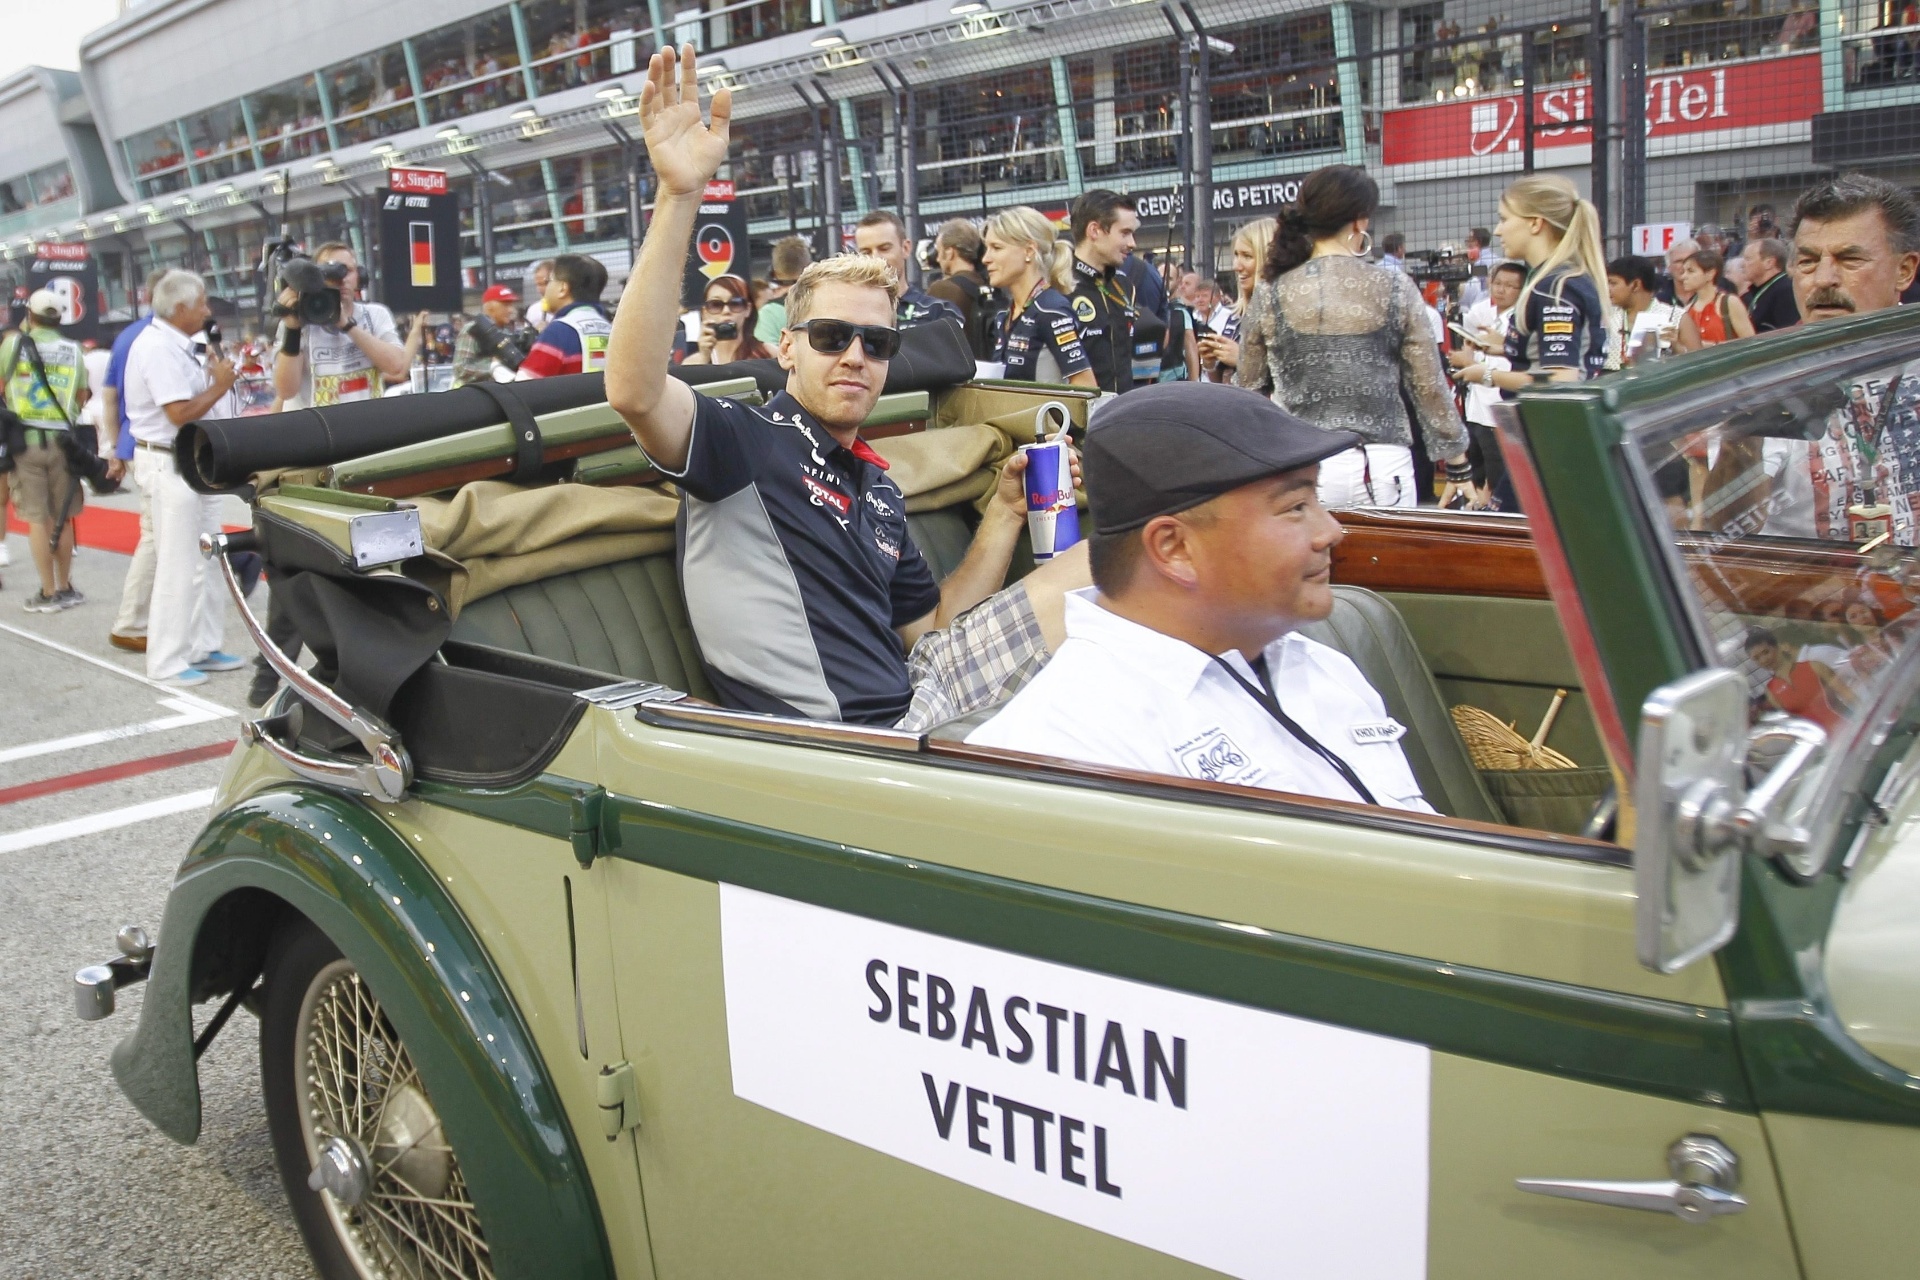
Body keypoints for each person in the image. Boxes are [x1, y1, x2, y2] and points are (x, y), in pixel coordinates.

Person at [604, 45, 1090, 731]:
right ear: (787, 349)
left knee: (1123, 565)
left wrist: (1008, 511)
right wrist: (681, 194)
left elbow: (935, 627)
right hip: (853, 745)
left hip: (922, 699)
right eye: (832, 337)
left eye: (878, 342)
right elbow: (634, 389)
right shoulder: (744, 443)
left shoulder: (880, 490)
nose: (855, 356)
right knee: (1119, 568)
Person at [968, 383, 1432, 812]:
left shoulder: (1321, 668)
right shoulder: (1068, 749)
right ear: (1175, 549)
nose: (1330, 531)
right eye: (1295, 508)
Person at [1236, 164, 1470, 508]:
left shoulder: (1271, 291)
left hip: (1301, 467)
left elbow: (1249, 389)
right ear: (1360, 220)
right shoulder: (1394, 287)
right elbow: (1428, 385)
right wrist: (1458, 466)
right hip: (1382, 465)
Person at [1751, 173, 1920, 545]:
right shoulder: (1759, 378)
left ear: (1904, 270)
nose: (1824, 279)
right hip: (1794, 595)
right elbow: (1723, 523)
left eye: (1850, 259)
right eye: (1808, 262)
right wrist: (1735, 436)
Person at [122, 270, 247, 687]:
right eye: (202, 303)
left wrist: (216, 380)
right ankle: (167, 661)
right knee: (178, 563)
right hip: (168, 461)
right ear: (179, 309)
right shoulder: (156, 348)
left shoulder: (182, 345)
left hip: (195, 461)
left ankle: (201, 645)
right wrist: (220, 385)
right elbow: (179, 413)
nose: (208, 310)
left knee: (208, 556)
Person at [1452, 174, 1611, 395]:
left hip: (1553, 422)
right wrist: (1508, 347)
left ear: (1535, 223)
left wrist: (1487, 375)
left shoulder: (1556, 288)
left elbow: (1559, 378)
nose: (1498, 230)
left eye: (1504, 219)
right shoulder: (1565, 278)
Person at [1, 290, 89, 612]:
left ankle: (48, 591)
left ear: (30, 314)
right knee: (62, 517)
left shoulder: (13, 344)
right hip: (64, 443)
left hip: (24, 442)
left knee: (37, 519)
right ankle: (66, 587)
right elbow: (81, 395)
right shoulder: (74, 350)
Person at [103, 270, 167, 651]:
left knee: (157, 534)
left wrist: (115, 445)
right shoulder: (157, 338)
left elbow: (110, 396)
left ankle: (139, 618)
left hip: (136, 441)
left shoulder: (129, 335)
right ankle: (132, 621)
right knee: (155, 536)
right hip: (156, 445)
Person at [271, 242, 409, 408]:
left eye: (347, 271)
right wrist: (293, 330)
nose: (341, 279)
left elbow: (397, 366)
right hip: (317, 429)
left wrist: (346, 324)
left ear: (360, 276)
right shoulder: (300, 320)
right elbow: (286, 391)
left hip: (366, 425)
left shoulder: (375, 314)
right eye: (329, 272)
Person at [981, 205, 1097, 388]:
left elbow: (1086, 388)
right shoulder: (1005, 316)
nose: (985, 258)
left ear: (1029, 251)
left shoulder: (1051, 310)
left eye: (996, 247)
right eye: (986, 248)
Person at [1447, 260, 1525, 507]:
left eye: (1510, 286)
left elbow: (1511, 363)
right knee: (1478, 463)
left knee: (1498, 466)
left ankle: (1491, 507)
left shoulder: (1522, 321)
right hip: (1476, 404)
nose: (1501, 290)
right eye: (1497, 283)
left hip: (1498, 405)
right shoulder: (1481, 312)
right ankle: (1479, 502)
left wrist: (1472, 361)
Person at [1065, 188, 1141, 393]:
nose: (1132, 243)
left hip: (1122, 412)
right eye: (1125, 233)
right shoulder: (1060, 285)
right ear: (1094, 231)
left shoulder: (1124, 286)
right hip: (1078, 416)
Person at [1197, 216, 1275, 383]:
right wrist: (1211, 362)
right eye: (1236, 255)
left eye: (1246, 256)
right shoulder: (1235, 315)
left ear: (1267, 258)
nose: (1236, 266)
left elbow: (1290, 380)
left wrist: (1242, 359)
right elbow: (1222, 383)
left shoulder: (1283, 314)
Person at [853, 210, 961, 327]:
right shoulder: (849, 317)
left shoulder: (940, 313)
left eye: (884, 248)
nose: (876, 259)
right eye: (866, 252)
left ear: (905, 248)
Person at [516, 253, 613, 377]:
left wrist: (498, 367)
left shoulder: (558, 332)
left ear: (563, 289)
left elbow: (523, 388)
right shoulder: (611, 330)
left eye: (549, 281)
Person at [1745, 627, 1846, 731]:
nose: (1764, 659)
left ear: (1777, 646)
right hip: (1822, 740)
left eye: (1766, 652)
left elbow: (1847, 694)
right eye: (1757, 658)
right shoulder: (1771, 691)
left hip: (1845, 726)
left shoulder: (1814, 666)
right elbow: (1794, 725)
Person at [927, 217, 996, 359]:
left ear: (950, 252)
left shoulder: (942, 289)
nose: (938, 259)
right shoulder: (992, 283)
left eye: (939, 251)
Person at [680, 272, 773, 365]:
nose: (726, 311)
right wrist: (704, 357)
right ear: (705, 312)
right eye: (716, 305)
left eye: (735, 303)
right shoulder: (691, 363)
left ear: (748, 309)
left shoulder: (770, 353)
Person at [1674, 249, 1756, 351]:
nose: (1683, 277)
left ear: (1710, 274)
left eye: (1690, 271)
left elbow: (1750, 342)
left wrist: (1709, 345)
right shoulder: (1688, 309)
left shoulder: (1729, 302)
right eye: (1683, 271)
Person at [1606, 255, 1681, 364]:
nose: (1608, 289)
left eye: (1613, 283)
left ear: (1636, 285)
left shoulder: (1675, 316)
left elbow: (1697, 365)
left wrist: (1677, 346)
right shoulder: (1603, 317)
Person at [452, 283, 530, 386]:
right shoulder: (473, 329)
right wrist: (492, 367)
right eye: (505, 304)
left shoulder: (507, 331)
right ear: (489, 307)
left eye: (511, 305)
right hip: (473, 395)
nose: (511, 310)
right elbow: (460, 368)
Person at [754, 235, 812, 344]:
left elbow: (764, 358)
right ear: (808, 266)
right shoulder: (824, 301)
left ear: (775, 271)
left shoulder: (768, 313)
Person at [1740, 238, 1800, 331]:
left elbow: (1789, 333)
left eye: (1748, 259)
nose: (1742, 264)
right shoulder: (1762, 290)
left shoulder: (1785, 291)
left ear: (1769, 263)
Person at [524, 259, 556, 329]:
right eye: (538, 284)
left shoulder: (569, 309)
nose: (540, 289)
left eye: (545, 283)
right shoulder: (533, 310)